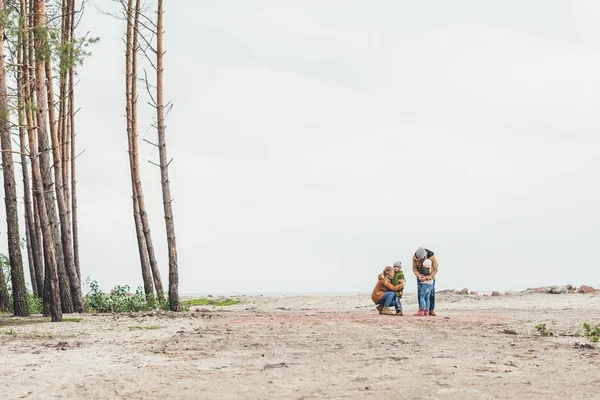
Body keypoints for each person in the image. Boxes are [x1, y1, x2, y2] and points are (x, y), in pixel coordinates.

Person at [412, 247, 438, 316]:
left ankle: (431, 309)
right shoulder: (414, 257)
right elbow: (414, 268)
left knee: (431, 293)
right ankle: (421, 309)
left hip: (430, 278)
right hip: (420, 277)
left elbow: (435, 269)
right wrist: (418, 276)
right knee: (420, 293)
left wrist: (427, 278)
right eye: (418, 258)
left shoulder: (432, 257)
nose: (419, 260)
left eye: (421, 258)